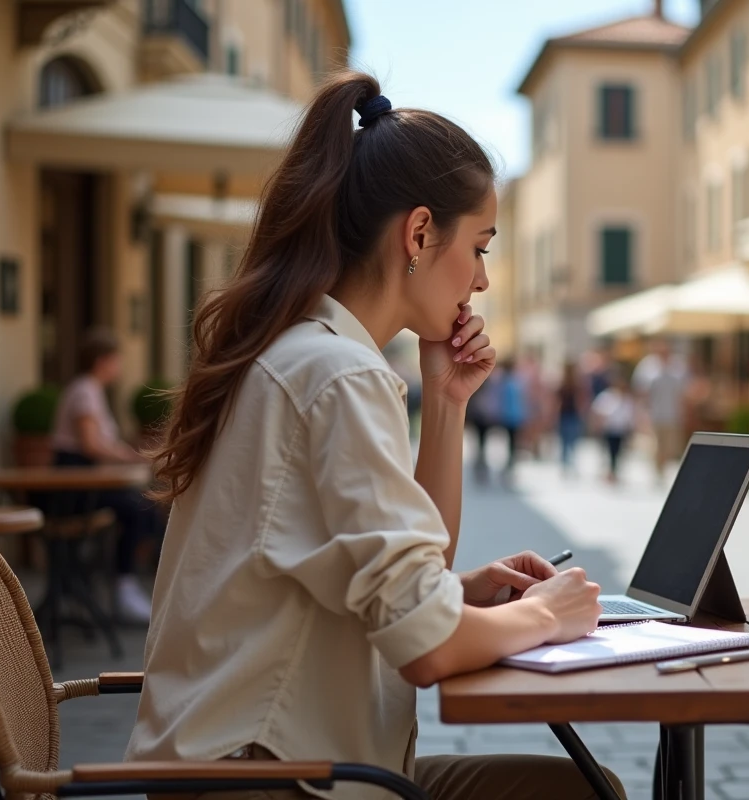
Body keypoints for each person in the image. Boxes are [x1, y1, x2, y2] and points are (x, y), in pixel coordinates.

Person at [125, 72, 620, 800]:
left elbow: (417, 584)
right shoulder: (337, 374)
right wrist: (546, 613)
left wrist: (447, 404)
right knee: (585, 792)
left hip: (277, 764)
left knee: (584, 788)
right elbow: (427, 648)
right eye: (480, 247)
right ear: (419, 233)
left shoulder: (308, 353)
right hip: (277, 779)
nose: (481, 281)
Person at [50, 328, 160, 623]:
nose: (119, 367)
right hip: (74, 488)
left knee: (143, 506)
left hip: (84, 483)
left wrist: (127, 455)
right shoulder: (85, 391)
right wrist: (129, 457)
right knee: (138, 508)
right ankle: (124, 586)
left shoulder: (90, 390)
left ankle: (122, 582)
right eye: (116, 360)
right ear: (102, 361)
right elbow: (90, 444)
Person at [631, 340, 689, 483]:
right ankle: (658, 472)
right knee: (656, 444)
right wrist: (641, 414)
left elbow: (684, 391)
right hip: (654, 414)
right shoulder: (647, 366)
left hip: (673, 414)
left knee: (670, 446)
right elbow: (640, 391)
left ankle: (663, 468)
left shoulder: (678, 366)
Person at [590, 369, 636, 484]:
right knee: (608, 452)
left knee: (618, 452)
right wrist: (597, 424)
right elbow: (597, 411)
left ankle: (614, 472)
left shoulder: (627, 399)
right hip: (609, 430)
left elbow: (630, 415)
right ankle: (609, 472)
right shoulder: (606, 396)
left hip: (621, 431)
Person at [498, 358, 529, 481]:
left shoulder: (505, 382)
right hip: (514, 416)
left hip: (509, 416)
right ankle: (510, 464)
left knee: (510, 442)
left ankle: (510, 464)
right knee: (512, 442)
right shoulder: (515, 382)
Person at [555, 361, 586, 474]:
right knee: (570, 440)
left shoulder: (572, 384)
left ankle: (567, 463)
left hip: (568, 414)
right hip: (570, 414)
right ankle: (569, 463)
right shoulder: (572, 384)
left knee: (566, 440)